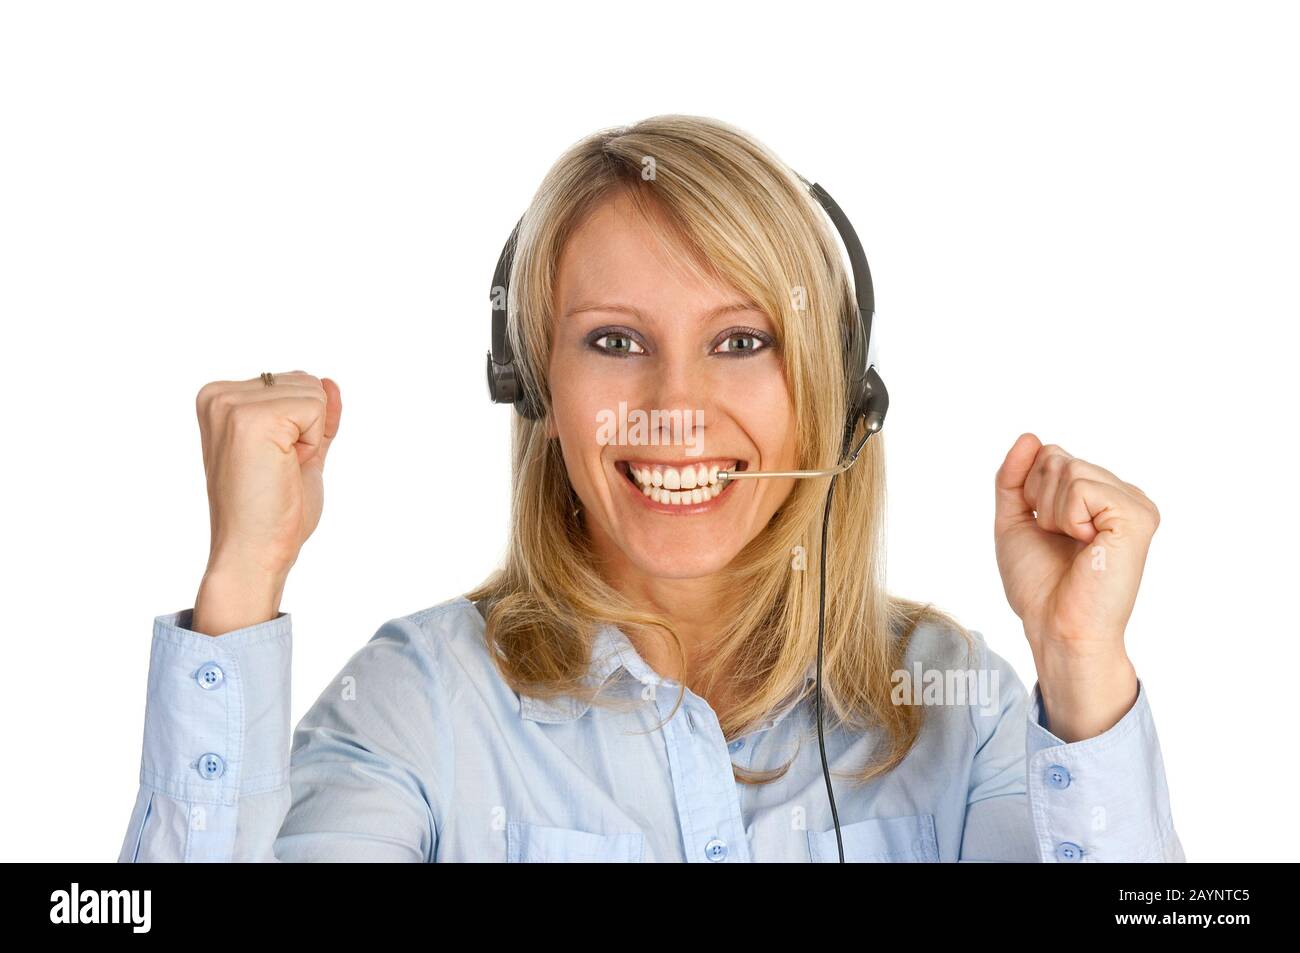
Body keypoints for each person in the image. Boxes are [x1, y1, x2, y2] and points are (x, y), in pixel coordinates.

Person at [120, 115, 1182, 862]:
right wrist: (242, 582)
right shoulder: (420, 702)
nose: (675, 405)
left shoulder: (963, 706)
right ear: (534, 384)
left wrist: (1081, 669)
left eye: (741, 340)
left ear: (837, 392)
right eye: (615, 339)